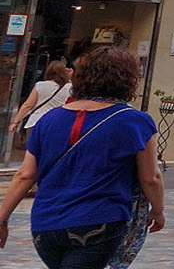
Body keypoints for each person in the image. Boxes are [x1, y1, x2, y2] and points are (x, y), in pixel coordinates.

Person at [0, 47, 165, 269]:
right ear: (128, 80)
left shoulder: (49, 119)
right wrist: (158, 210)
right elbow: (151, 177)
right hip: (98, 222)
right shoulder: (135, 122)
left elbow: (25, 175)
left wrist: (2, 218)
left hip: (46, 224)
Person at [7, 61, 71, 141]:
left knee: (32, 150)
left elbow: (28, 105)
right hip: (55, 123)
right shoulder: (69, 87)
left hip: (35, 122)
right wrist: (69, 78)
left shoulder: (40, 85)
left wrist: (15, 122)